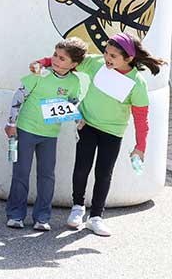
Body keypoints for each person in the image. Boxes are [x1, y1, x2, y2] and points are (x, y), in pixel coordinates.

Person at [33, 33, 165, 236]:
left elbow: (141, 119)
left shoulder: (137, 83)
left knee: (103, 174)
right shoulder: (96, 64)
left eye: (113, 56)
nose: (107, 58)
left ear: (128, 58)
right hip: (87, 125)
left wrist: (140, 147)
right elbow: (67, 59)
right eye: (106, 53)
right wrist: (43, 62)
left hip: (112, 133)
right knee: (81, 168)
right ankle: (78, 207)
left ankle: (95, 217)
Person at [5, 38, 87, 232]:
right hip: (26, 130)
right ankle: (15, 215)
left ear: (73, 64)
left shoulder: (74, 81)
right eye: (55, 55)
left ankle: (42, 217)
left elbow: (73, 101)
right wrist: (11, 123)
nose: (56, 60)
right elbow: (19, 96)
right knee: (21, 173)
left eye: (62, 58)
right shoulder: (39, 74)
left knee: (47, 176)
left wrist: (78, 117)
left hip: (50, 135)